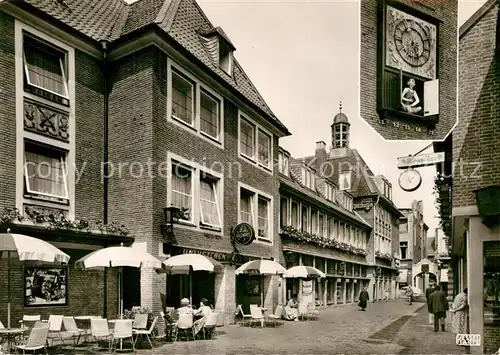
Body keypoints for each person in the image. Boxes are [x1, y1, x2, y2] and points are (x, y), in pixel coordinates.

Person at [452, 288, 470, 354]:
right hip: (462, 313)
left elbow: (453, 304)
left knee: (458, 327)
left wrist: (454, 309)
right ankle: (462, 342)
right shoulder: (464, 296)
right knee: (462, 327)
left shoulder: (458, 295)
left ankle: (459, 341)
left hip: (457, 314)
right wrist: (457, 309)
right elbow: (463, 305)